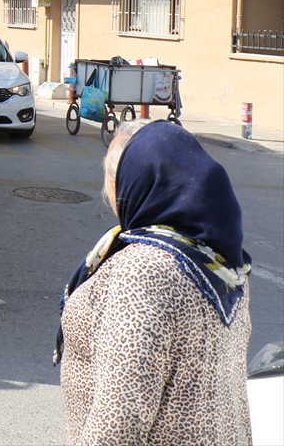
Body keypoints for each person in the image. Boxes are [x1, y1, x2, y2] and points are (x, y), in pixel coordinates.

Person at [55, 119, 253, 445]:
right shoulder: (223, 264)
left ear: (140, 181)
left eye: (112, 177)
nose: (108, 191)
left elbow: (118, 425)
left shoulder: (142, 274)